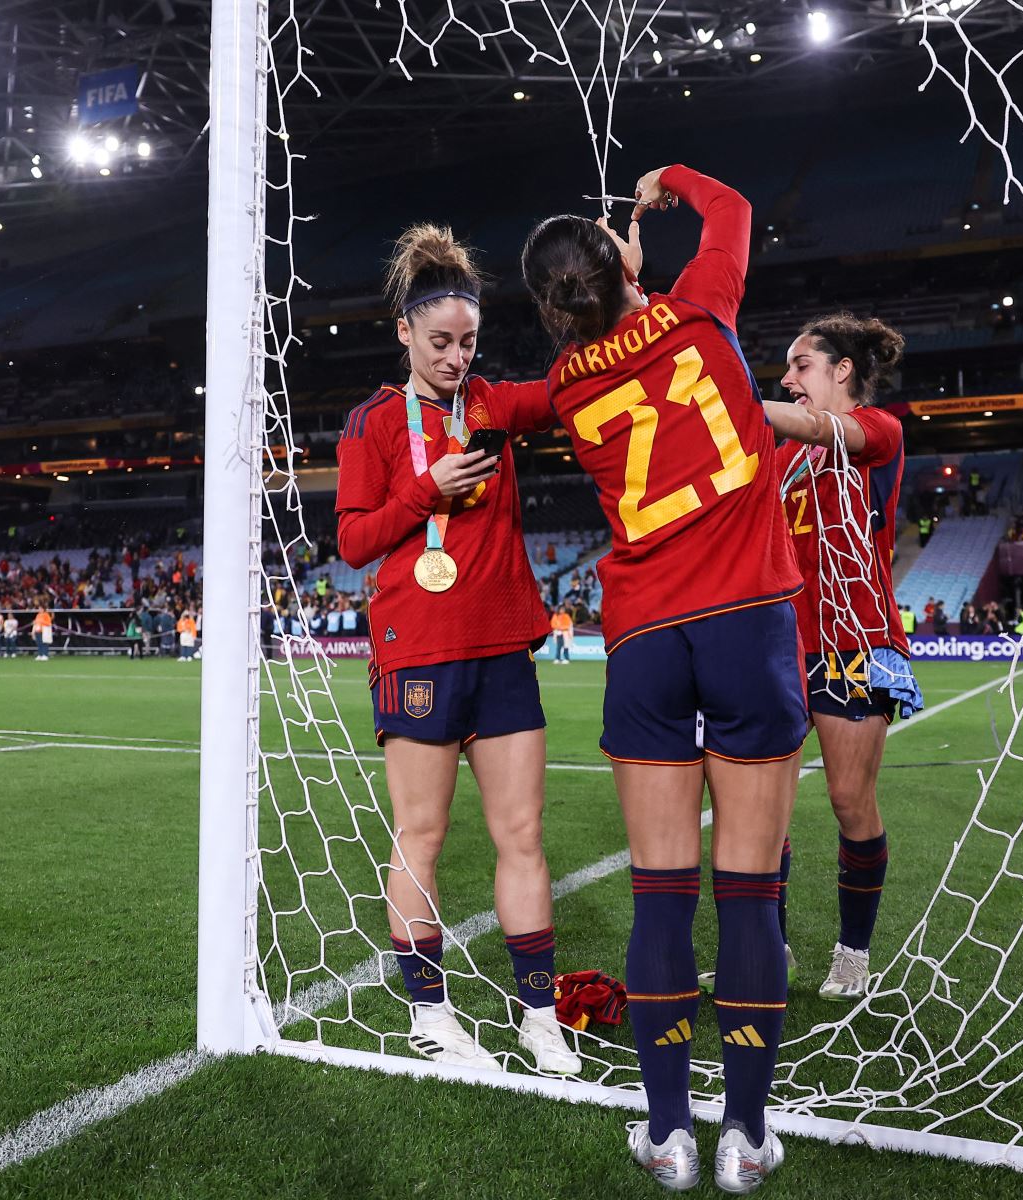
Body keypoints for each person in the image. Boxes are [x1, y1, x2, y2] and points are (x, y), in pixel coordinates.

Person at [522, 163, 801, 1190]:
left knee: (658, 898)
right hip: (747, 623)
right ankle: (747, 1135)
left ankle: (670, 1130)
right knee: (751, 895)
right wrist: (665, 187)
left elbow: (502, 402)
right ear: (625, 265)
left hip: (642, 640)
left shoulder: (561, 384)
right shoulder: (701, 308)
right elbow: (733, 206)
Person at [335, 224, 580, 1078]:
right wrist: (423, 491)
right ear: (403, 332)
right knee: (421, 836)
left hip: (504, 646)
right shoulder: (369, 424)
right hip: (420, 652)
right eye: (439, 342)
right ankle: (430, 1013)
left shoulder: (493, 404)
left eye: (468, 342)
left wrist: (608, 300)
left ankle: (540, 1015)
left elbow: (565, 389)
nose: (455, 357)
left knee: (523, 834)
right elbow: (357, 542)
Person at [754, 311, 923, 1003]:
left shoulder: (876, 430)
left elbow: (819, 429)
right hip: (777, 644)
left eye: (801, 366)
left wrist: (728, 389)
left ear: (842, 371)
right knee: (764, 813)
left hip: (855, 642)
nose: (788, 378)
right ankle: (773, 952)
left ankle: (853, 954)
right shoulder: (778, 454)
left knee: (850, 801)